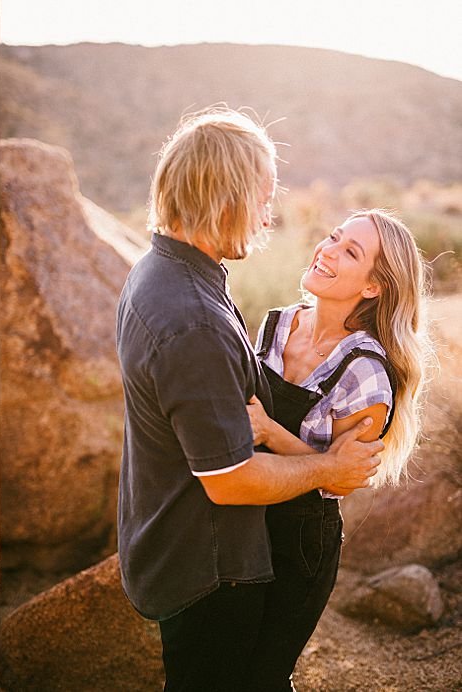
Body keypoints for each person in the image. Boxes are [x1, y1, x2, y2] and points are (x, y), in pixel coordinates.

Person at [114, 108, 385, 691]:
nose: (269, 212)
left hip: (180, 540)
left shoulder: (161, 272)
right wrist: (329, 467)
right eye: (263, 195)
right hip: (208, 566)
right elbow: (230, 480)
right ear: (226, 196)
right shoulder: (193, 321)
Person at [242, 209, 432, 689]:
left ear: (373, 287)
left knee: (262, 675)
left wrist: (268, 432)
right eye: (333, 237)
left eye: (350, 252)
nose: (327, 250)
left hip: (299, 540)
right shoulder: (276, 325)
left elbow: (340, 478)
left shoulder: (367, 372)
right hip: (242, 511)